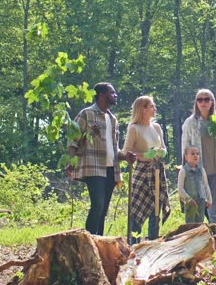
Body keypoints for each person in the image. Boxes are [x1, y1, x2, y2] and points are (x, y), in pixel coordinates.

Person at [66, 82, 135, 236]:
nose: (116, 96)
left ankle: (100, 241)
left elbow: (114, 149)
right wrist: (70, 161)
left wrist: (126, 156)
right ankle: (90, 239)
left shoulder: (113, 119)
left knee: (103, 210)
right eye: (113, 93)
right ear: (103, 95)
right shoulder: (87, 114)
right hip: (94, 166)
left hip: (111, 168)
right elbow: (73, 139)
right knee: (97, 204)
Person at [122, 95, 170, 244]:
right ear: (142, 109)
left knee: (155, 208)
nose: (154, 109)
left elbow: (162, 147)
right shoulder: (134, 128)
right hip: (142, 171)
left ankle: (153, 241)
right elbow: (126, 152)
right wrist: (143, 155)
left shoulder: (156, 127)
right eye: (151, 106)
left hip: (156, 170)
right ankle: (134, 244)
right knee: (137, 209)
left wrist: (162, 152)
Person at [180, 89, 216, 224]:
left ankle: (215, 235)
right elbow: (185, 147)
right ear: (196, 103)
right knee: (198, 206)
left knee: (214, 207)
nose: (203, 102)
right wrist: (185, 168)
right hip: (197, 171)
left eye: (206, 99)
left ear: (212, 102)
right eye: (200, 100)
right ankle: (197, 235)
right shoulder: (190, 123)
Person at [177, 146, 212, 224]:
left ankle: (199, 235)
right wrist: (188, 199)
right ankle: (190, 235)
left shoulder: (201, 170)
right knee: (190, 222)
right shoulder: (183, 171)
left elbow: (206, 186)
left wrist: (209, 199)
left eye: (197, 154)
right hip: (190, 202)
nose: (195, 156)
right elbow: (180, 188)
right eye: (192, 154)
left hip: (201, 200)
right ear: (186, 157)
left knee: (200, 221)